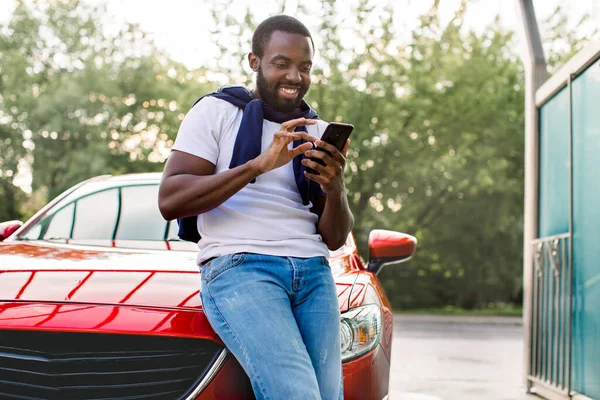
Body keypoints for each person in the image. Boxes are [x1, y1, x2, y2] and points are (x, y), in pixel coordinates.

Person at [158, 14, 353, 400]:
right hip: (242, 266)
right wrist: (259, 165)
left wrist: (336, 187)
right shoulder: (216, 112)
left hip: (313, 271)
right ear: (254, 61)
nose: (294, 76)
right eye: (282, 63)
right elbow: (171, 200)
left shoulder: (314, 130)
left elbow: (334, 238)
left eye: (305, 67)